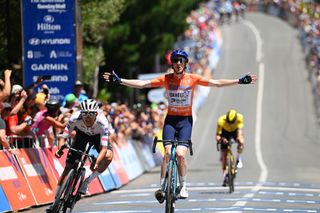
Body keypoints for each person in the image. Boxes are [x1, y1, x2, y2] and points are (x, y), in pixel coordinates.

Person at [103, 49, 256, 202]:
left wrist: (239, 81)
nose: (177, 63)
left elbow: (216, 83)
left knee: (181, 154)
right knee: (168, 153)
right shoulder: (166, 78)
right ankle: (162, 187)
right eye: (175, 60)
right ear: (172, 64)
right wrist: (120, 80)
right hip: (170, 121)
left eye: (180, 61)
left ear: (185, 64)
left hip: (185, 122)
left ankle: (183, 186)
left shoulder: (192, 78)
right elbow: (142, 84)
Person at [46, 99, 113, 212]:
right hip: (81, 135)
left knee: (108, 156)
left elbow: (104, 149)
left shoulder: (103, 122)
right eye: (84, 113)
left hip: (97, 137)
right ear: (81, 113)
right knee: (68, 168)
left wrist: (96, 162)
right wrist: (60, 148)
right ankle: (55, 202)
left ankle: (87, 182)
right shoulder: (75, 117)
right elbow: (64, 136)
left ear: (96, 113)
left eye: (91, 113)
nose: (87, 117)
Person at [215, 109, 244, 186]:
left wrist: (239, 138)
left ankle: (239, 158)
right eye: (229, 122)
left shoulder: (240, 118)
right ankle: (225, 175)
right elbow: (217, 135)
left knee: (241, 140)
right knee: (224, 156)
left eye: (232, 123)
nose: (230, 124)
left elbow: (239, 131)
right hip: (225, 133)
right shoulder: (221, 120)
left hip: (235, 131)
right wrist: (221, 139)